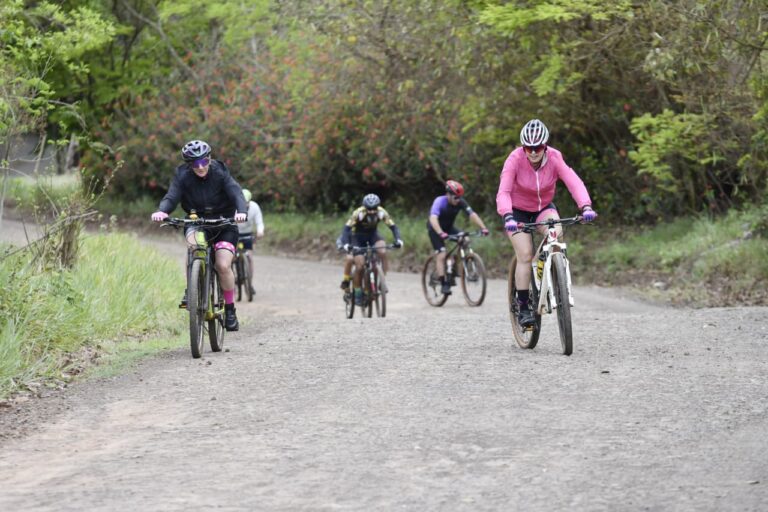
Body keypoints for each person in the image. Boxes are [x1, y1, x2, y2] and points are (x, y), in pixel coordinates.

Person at [496, 119, 597, 327]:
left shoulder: (554, 157)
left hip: (543, 208)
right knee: (524, 254)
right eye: (528, 148)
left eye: (538, 147)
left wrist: (585, 207)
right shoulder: (514, 159)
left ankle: (554, 271)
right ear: (523, 147)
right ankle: (523, 305)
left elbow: (573, 181)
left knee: (556, 234)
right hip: (517, 212)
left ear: (545, 146)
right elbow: (504, 192)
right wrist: (508, 216)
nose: (533, 152)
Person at [150, 139, 248, 331]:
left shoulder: (219, 171)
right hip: (196, 221)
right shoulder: (182, 176)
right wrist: (163, 211)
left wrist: (240, 211)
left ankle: (229, 309)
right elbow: (172, 196)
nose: (201, 167)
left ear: (209, 158)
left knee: (222, 264)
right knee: (194, 247)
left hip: (224, 222)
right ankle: (192, 290)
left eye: (204, 161)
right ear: (189, 165)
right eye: (195, 164)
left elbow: (236, 193)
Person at [337, 193, 403, 306]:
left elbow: (393, 227)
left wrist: (398, 240)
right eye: (369, 209)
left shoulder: (381, 212)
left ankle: (382, 281)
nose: (372, 211)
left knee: (382, 251)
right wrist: (347, 244)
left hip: (372, 235)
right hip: (356, 237)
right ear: (365, 207)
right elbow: (346, 229)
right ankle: (357, 293)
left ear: (378, 207)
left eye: (374, 209)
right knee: (360, 265)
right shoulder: (358, 213)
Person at [427, 180, 490, 295]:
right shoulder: (440, 201)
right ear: (448, 195)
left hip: (449, 228)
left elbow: (472, 214)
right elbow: (433, 218)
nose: (458, 200)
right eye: (455, 197)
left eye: (460, 197)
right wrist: (440, 233)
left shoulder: (460, 201)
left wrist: (483, 227)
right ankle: (443, 283)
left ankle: (454, 267)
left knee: (465, 239)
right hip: (435, 229)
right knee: (441, 254)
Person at [237, 188, 265, 295]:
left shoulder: (254, 207)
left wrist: (260, 231)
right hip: (235, 233)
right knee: (231, 257)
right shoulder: (233, 206)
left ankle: (250, 283)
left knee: (250, 257)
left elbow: (259, 222)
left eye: (246, 204)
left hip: (247, 234)